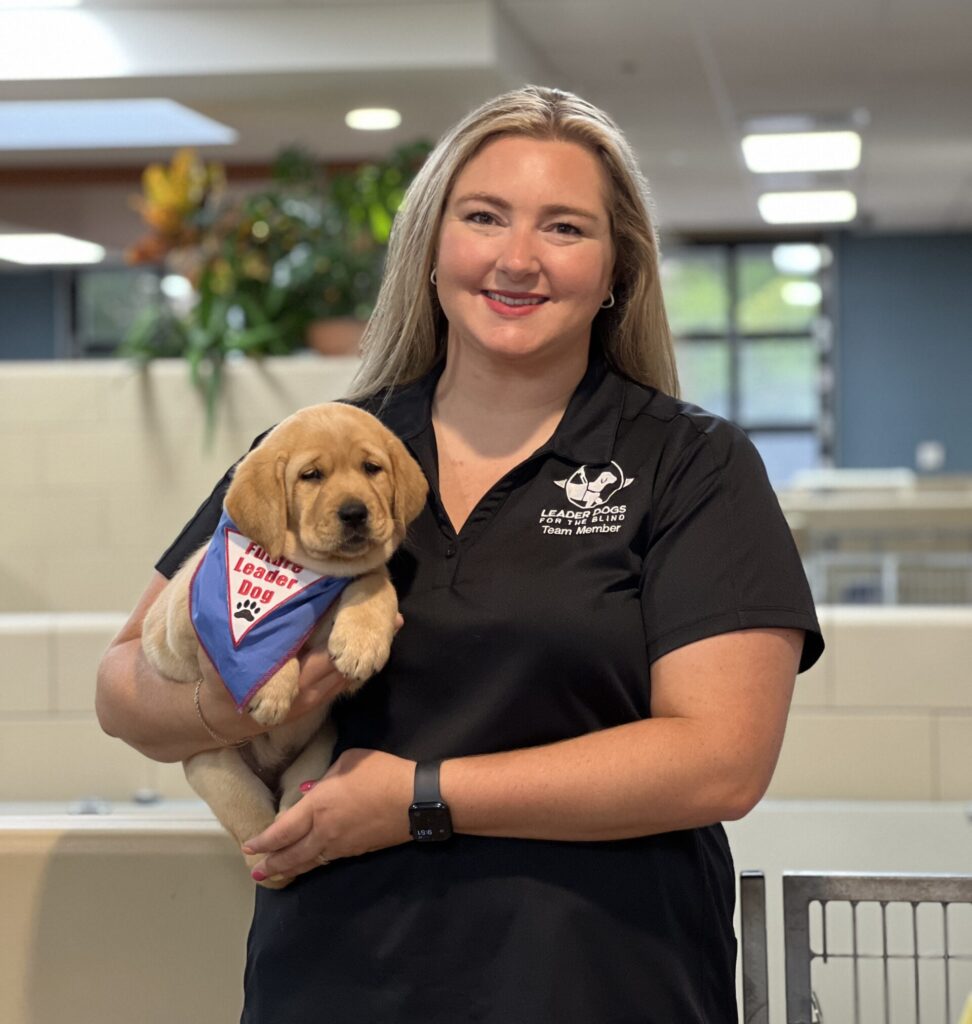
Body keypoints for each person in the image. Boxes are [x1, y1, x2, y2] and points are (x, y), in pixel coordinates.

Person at [97, 85, 824, 1023]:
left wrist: (422, 799)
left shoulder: (690, 464)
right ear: (431, 248)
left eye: (564, 228)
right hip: (334, 981)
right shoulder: (323, 450)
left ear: (616, 271)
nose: (517, 260)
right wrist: (233, 698)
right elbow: (123, 688)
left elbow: (720, 761)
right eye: (483, 217)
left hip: (600, 980)